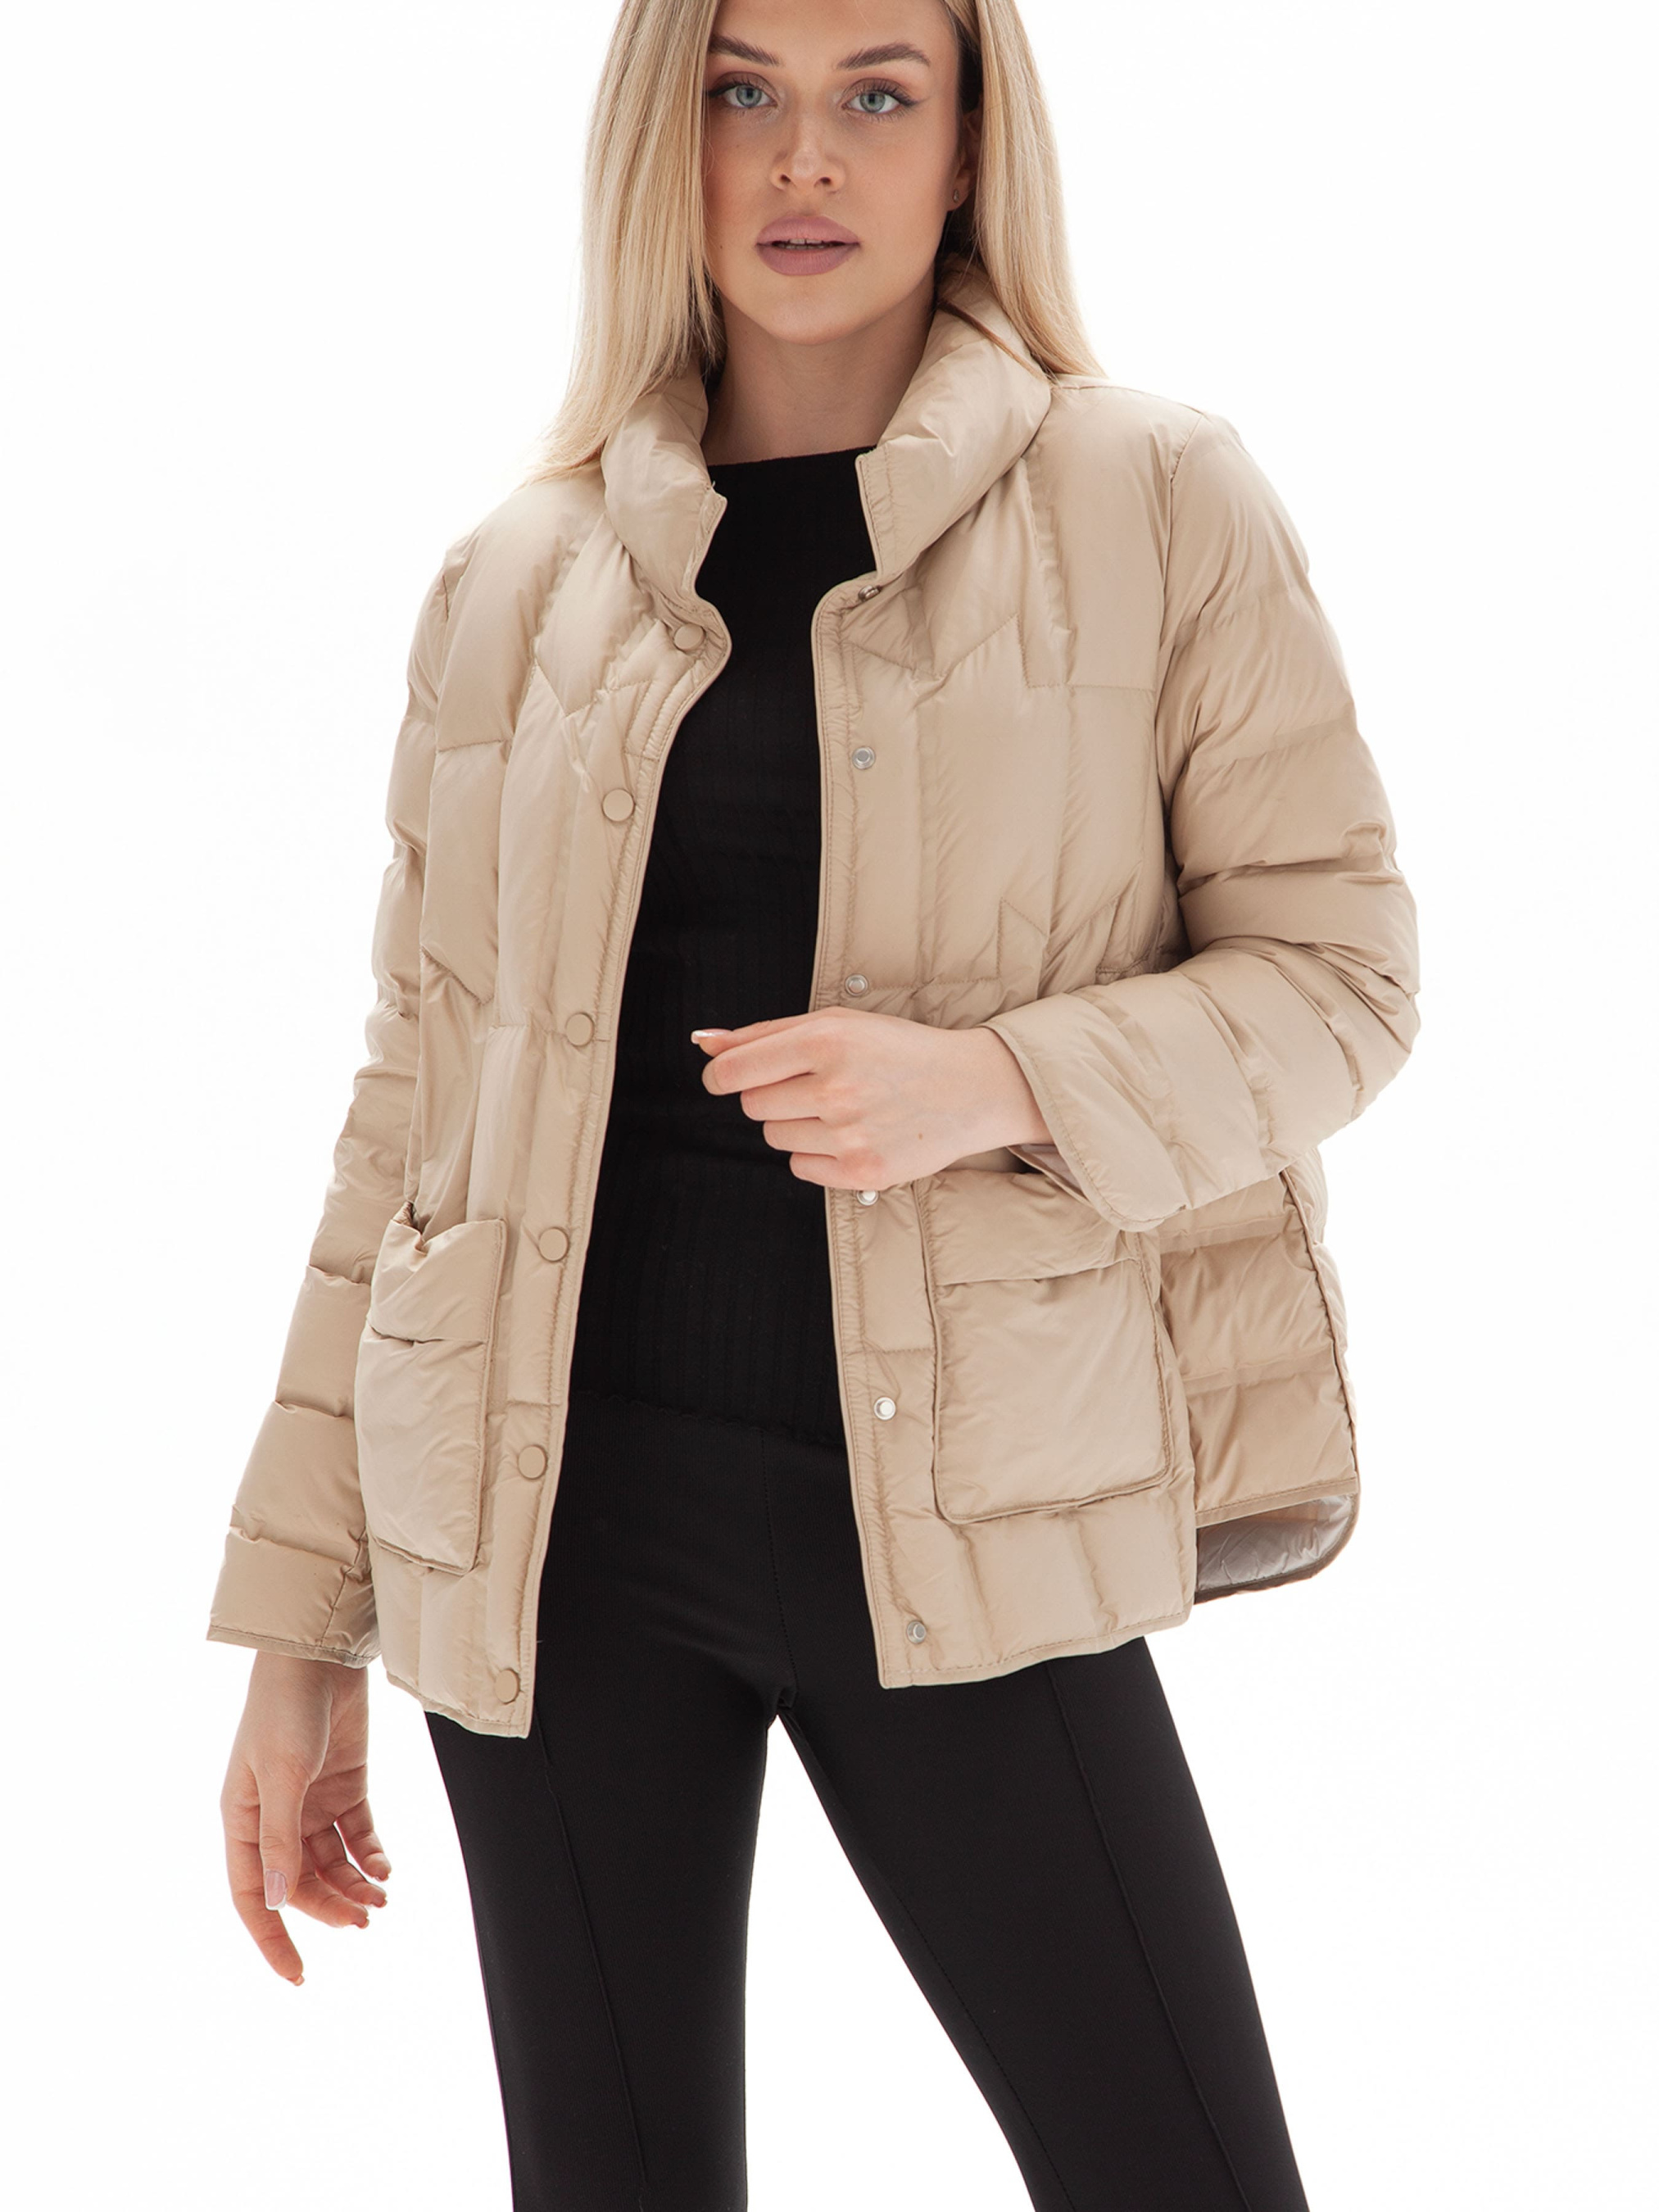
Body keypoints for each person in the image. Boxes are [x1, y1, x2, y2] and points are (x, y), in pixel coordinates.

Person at [209, 2, 1421, 2205]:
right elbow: (410, 1115)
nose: (805, 159)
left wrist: (994, 1081)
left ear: (967, 146)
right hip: (549, 1541)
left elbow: (1342, 979)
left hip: (960, 1516)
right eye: (741, 91)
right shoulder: (515, 579)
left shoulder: (1151, 497)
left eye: (878, 92)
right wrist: (304, 1621)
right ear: (656, 138)